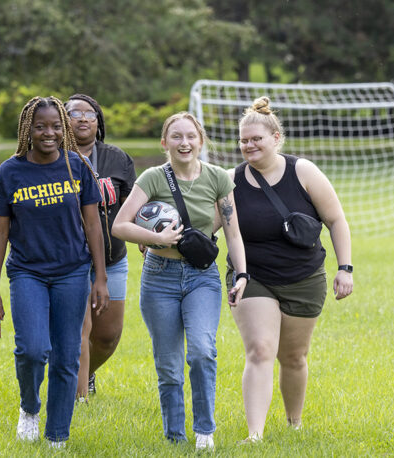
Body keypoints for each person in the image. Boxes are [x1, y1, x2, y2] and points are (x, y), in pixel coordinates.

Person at [0, 96, 109, 448]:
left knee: (67, 355)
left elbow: (93, 225)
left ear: (64, 128)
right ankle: (30, 408)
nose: (48, 133)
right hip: (28, 273)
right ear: (27, 130)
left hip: (72, 272)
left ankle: (57, 436)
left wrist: (100, 277)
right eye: (40, 126)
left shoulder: (76, 167)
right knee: (33, 350)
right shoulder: (10, 172)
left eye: (55, 126)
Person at [112, 112, 248, 450]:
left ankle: (204, 432)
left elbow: (233, 233)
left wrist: (242, 274)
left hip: (202, 278)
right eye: (176, 137)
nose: (184, 143)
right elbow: (119, 225)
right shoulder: (153, 178)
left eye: (190, 136)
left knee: (202, 351)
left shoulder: (217, 178)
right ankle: (174, 437)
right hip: (160, 277)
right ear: (164, 143)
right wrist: (153, 237)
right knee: (169, 364)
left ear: (201, 141)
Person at [228, 97, 353, 443]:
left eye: (256, 139)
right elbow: (207, 228)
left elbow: (336, 219)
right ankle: (254, 435)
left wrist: (345, 268)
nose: (249, 146)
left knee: (294, 357)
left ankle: (293, 423)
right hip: (251, 277)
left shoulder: (304, 172)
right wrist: (159, 240)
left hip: (303, 277)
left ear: (276, 138)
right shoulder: (230, 180)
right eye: (243, 140)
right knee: (260, 350)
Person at [65, 94, 137, 401]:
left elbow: (135, 204)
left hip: (112, 259)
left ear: (99, 122)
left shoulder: (117, 158)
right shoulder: (50, 157)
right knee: (80, 331)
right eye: (74, 113)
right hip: (70, 261)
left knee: (107, 336)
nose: (82, 118)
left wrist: (146, 238)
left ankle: (86, 373)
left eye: (89, 114)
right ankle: (76, 397)